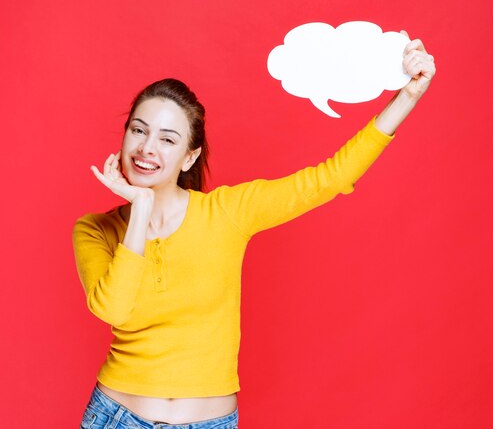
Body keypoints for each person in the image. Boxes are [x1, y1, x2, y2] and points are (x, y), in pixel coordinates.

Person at [72, 34, 435, 429]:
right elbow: (114, 309)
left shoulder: (228, 211)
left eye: (167, 138)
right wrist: (140, 210)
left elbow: (329, 179)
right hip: (116, 417)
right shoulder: (95, 230)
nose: (147, 148)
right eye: (138, 131)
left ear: (189, 155)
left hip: (209, 421)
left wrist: (409, 96)